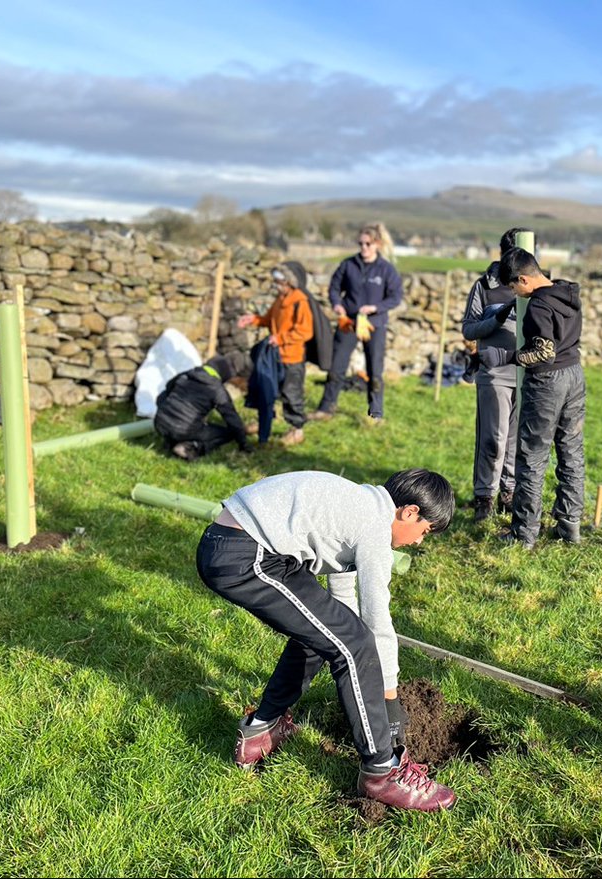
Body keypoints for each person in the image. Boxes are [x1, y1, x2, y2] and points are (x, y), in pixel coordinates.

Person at [195, 468, 458, 812]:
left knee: (324, 636)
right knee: (355, 643)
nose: (420, 541)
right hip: (245, 555)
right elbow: (377, 624)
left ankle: (261, 730)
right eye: (425, 531)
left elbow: (342, 601)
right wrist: (390, 700)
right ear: (409, 512)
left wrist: (345, 637)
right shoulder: (374, 526)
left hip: (245, 548)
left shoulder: (363, 504)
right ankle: (383, 769)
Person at [477, 247, 585, 549]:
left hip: (547, 383)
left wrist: (507, 356)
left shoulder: (538, 306)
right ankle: (569, 525)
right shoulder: (566, 293)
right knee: (571, 452)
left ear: (524, 279)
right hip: (575, 375)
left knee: (532, 456)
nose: (514, 293)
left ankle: (523, 533)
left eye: (513, 286)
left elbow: (543, 352)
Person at [461, 228, 530, 521]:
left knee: (518, 438)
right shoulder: (484, 286)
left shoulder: (534, 284)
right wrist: (499, 316)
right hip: (495, 373)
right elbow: (469, 329)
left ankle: (509, 492)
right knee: (493, 438)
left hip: (527, 373)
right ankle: (484, 495)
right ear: (502, 254)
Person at [309, 222, 404, 424]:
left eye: (368, 244)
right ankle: (326, 409)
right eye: (360, 243)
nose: (363, 248)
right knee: (336, 367)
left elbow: (396, 297)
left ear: (377, 244)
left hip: (374, 325)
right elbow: (334, 288)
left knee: (375, 372)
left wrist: (375, 308)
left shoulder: (386, 270)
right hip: (348, 323)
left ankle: (375, 414)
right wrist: (337, 305)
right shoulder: (348, 265)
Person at [236, 261, 314, 446]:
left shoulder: (300, 301)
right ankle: (267, 420)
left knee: (291, 393)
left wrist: (281, 339)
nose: (276, 285)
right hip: (276, 357)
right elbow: (269, 320)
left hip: (292, 358)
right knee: (268, 390)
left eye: (279, 281)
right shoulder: (280, 299)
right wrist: (253, 319)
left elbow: (306, 331)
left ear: (289, 282)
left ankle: (297, 430)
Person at [153, 351, 253, 461]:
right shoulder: (216, 390)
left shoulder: (188, 374)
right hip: (183, 430)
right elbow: (233, 420)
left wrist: (163, 412)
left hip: (159, 422)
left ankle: (169, 441)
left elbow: (165, 392)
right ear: (232, 375)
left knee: (184, 424)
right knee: (228, 433)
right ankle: (190, 447)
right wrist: (243, 444)